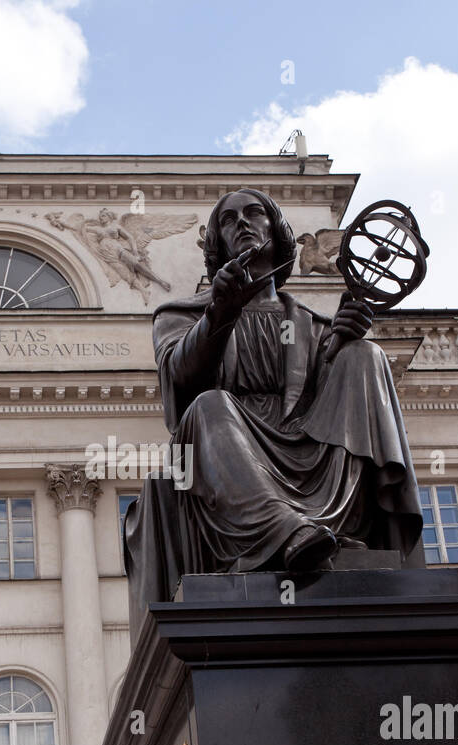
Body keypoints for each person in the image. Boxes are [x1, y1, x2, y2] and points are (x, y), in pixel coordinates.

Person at [124, 188, 423, 636]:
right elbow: (182, 382)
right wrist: (220, 313)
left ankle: (351, 535)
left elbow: (327, 403)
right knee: (210, 405)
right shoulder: (179, 315)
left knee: (365, 356)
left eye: (254, 213)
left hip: (309, 449)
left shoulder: (314, 326)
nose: (242, 223)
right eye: (228, 220)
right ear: (216, 244)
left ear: (276, 231)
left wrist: (343, 346)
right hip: (223, 451)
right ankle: (286, 530)